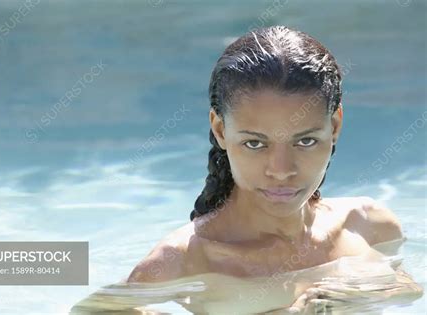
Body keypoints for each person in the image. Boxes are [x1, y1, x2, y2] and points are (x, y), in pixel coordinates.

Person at [125, 25, 423, 313]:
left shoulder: (369, 225)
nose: (281, 171)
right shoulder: (185, 259)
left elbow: (409, 290)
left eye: (305, 140)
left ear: (334, 126)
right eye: (255, 144)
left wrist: (331, 300)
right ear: (220, 130)